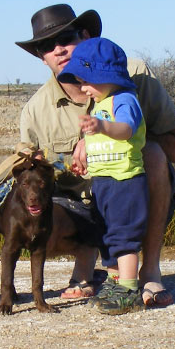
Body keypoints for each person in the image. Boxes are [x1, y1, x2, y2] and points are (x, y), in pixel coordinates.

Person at [16, 4, 175, 307]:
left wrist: (103, 134)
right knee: (35, 206)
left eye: (66, 38)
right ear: (41, 57)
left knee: (154, 154)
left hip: (132, 189)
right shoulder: (34, 110)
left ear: (85, 36)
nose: (58, 49)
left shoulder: (134, 75)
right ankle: (88, 266)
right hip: (79, 205)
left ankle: (148, 271)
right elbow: (32, 178)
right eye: (47, 45)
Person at [57, 37, 149, 314]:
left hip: (126, 180)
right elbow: (101, 144)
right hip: (104, 181)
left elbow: (126, 130)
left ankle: (130, 288)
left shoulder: (123, 100)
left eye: (86, 80)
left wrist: (102, 126)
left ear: (104, 75)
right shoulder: (100, 105)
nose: (82, 88)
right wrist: (86, 163)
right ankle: (114, 281)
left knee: (124, 235)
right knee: (106, 233)